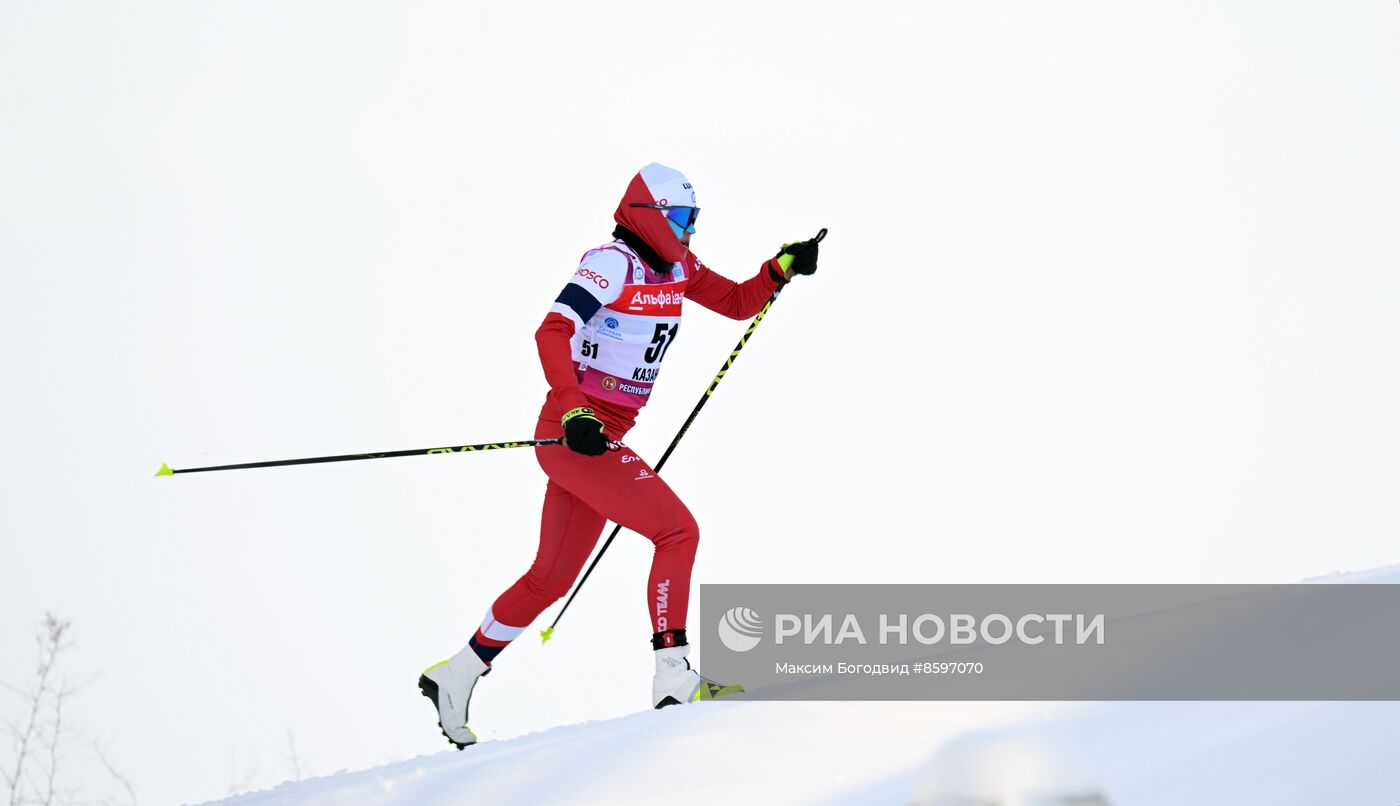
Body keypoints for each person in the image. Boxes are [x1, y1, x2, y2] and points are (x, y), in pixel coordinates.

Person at [418, 163, 820, 748]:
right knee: (678, 531)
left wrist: (779, 269)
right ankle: (673, 677)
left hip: (600, 438)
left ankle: (455, 674)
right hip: (575, 431)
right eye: (682, 219)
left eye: (694, 221)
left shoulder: (679, 267)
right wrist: (575, 409)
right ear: (649, 215)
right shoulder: (612, 263)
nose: (689, 232)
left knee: (549, 577)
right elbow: (551, 331)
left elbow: (735, 303)